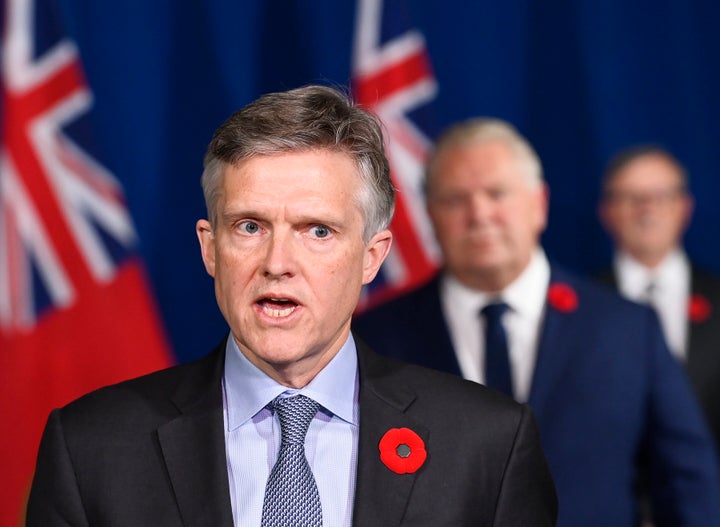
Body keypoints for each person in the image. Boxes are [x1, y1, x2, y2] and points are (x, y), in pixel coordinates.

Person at [26, 86, 557, 526]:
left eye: (317, 230)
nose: (277, 262)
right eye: (250, 227)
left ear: (372, 257)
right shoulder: (90, 448)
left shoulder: (488, 444)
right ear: (211, 248)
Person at [353, 118, 720, 527]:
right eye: (456, 198)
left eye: (497, 193)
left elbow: (689, 484)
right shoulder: (375, 334)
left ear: (539, 204)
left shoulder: (627, 329)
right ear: (430, 215)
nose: (479, 214)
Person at [598, 145, 720, 449]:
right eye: (632, 198)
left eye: (661, 196)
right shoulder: (580, 302)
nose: (647, 209)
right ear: (608, 212)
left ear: (684, 207)